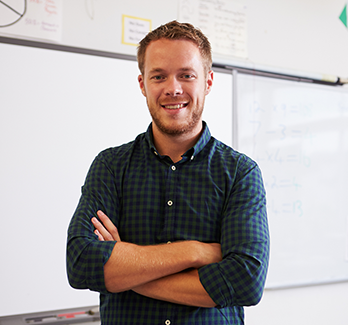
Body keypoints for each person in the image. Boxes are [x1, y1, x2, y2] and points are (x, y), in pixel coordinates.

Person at [66, 20, 270, 325]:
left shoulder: (240, 173)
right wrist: (196, 252)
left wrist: (126, 272)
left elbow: (245, 281)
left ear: (208, 82)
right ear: (142, 84)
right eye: (158, 76)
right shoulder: (110, 166)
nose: (173, 88)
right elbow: (81, 264)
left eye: (186, 75)